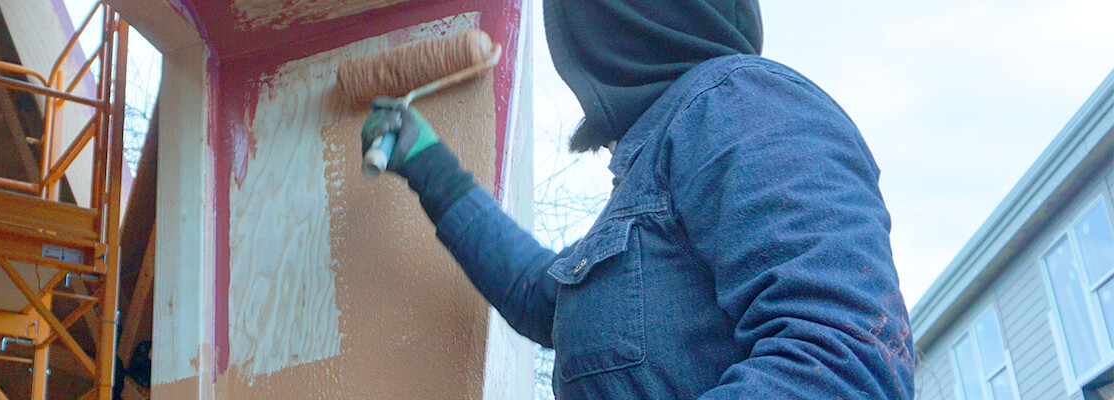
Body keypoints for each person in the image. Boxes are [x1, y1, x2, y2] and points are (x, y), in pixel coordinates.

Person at [360, 0, 916, 397]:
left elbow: (843, 362)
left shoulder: (738, 103)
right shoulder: (655, 169)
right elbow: (538, 294)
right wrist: (430, 166)